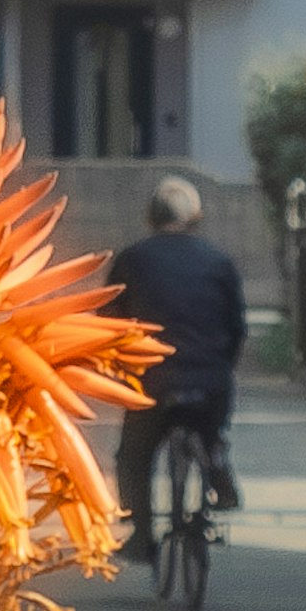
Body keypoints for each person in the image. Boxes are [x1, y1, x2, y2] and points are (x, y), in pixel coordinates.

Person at [107, 176, 247, 562]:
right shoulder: (218, 261)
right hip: (209, 379)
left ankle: (140, 532)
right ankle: (216, 459)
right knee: (211, 428)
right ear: (196, 218)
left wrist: (119, 365)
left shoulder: (132, 259)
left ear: (151, 217)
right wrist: (221, 365)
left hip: (151, 379)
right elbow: (236, 327)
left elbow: (109, 320)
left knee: (133, 456)